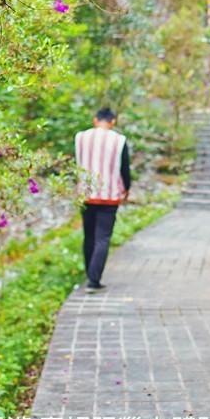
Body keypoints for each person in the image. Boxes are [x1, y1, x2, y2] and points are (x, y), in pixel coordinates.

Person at [75, 107, 131, 291]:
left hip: (86, 195)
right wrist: (127, 189)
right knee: (102, 238)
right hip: (109, 195)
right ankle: (93, 280)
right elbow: (124, 169)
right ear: (113, 122)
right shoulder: (119, 140)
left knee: (88, 236)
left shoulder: (80, 137)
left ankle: (89, 273)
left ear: (95, 119)